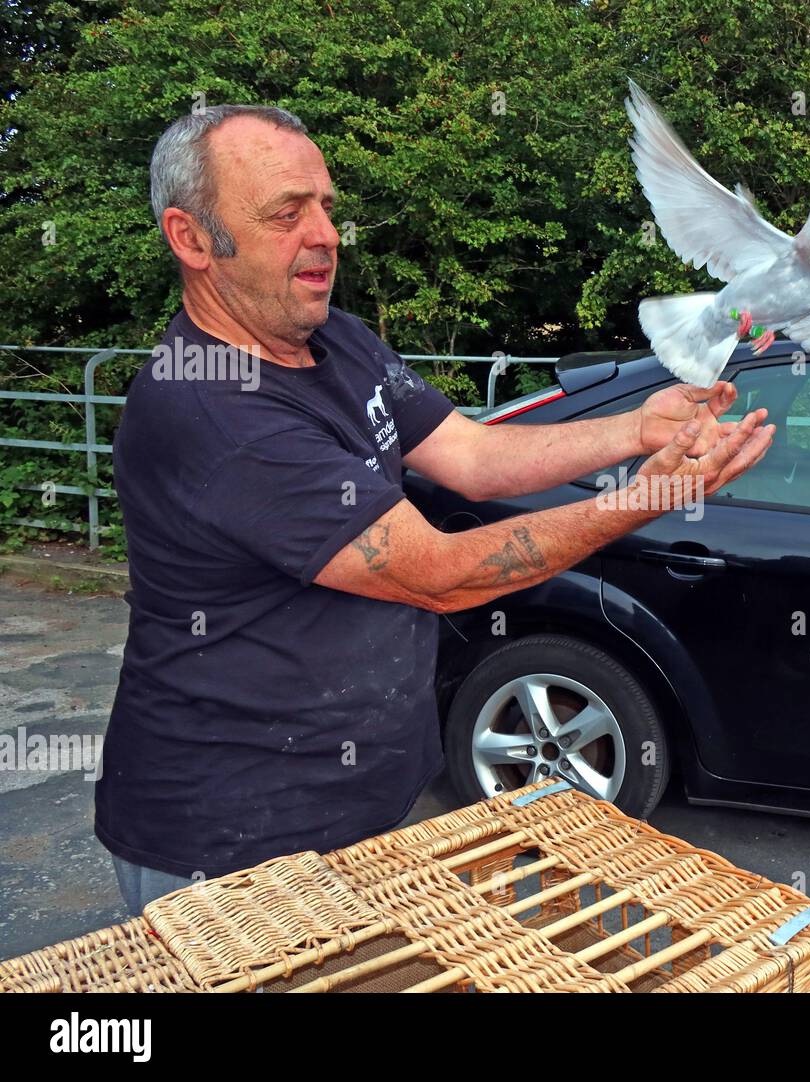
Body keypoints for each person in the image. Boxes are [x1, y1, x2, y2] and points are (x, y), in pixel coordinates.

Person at [95, 104, 773, 913]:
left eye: (326, 205)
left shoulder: (335, 339)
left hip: (365, 806)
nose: (325, 235)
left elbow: (475, 457)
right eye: (286, 213)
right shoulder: (209, 413)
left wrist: (636, 426)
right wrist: (650, 496)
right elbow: (439, 574)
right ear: (192, 238)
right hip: (229, 849)